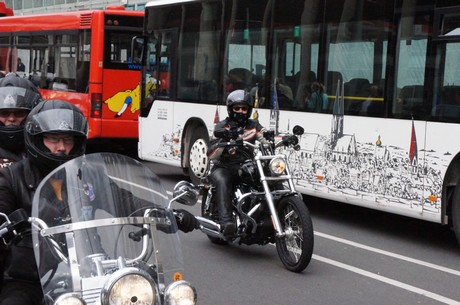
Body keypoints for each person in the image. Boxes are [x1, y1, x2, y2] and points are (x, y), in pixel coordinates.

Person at [0, 99, 197, 304]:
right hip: (30, 276)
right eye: (53, 139)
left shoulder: (89, 175)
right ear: (37, 140)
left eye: (68, 140)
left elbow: (124, 200)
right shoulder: (13, 178)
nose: (61, 147)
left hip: (91, 269)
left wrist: (165, 213)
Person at [208, 89, 271, 237]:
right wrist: (224, 144)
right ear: (230, 110)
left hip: (246, 166)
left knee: (267, 176)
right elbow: (211, 152)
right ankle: (226, 222)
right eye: (237, 108)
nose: (241, 111)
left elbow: (265, 137)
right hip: (224, 167)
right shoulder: (223, 126)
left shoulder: (254, 125)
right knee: (223, 180)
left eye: (244, 108)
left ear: (249, 110)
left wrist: (282, 139)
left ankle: (270, 216)